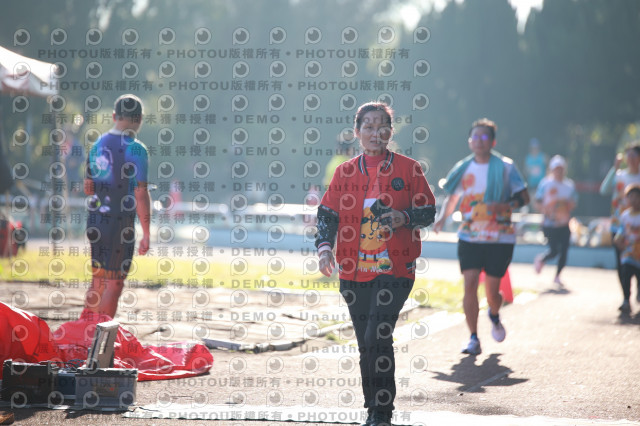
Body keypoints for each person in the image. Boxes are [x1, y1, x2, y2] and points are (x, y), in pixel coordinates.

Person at [315, 102, 436, 426]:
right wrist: (324, 249)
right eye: (367, 126)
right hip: (353, 271)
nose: (374, 132)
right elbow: (327, 214)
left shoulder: (409, 169)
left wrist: (404, 217)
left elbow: (428, 211)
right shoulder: (345, 172)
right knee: (365, 344)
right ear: (357, 132)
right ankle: (373, 409)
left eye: (381, 126)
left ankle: (382, 412)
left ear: (390, 131)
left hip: (395, 269)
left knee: (377, 336)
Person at [433, 118, 529, 356]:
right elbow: (453, 198)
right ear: (469, 141)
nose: (479, 141)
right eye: (474, 136)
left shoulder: (506, 167)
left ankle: (494, 314)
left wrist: (505, 205)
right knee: (470, 285)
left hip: (500, 237)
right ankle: (473, 337)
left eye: (484, 137)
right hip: (470, 235)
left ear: (492, 142)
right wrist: (442, 218)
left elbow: (524, 197)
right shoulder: (463, 168)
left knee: (492, 293)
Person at [83, 94, 151, 318]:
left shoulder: (97, 144)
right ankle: (102, 334)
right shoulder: (136, 149)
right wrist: (146, 233)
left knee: (98, 279)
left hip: (95, 220)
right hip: (119, 224)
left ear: (114, 116)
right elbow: (140, 194)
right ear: (139, 119)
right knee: (114, 283)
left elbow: (88, 188)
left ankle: (86, 331)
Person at [600, 144, 640, 303]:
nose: (630, 158)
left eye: (634, 155)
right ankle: (626, 297)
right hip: (619, 226)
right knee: (622, 263)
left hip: (638, 229)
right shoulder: (619, 176)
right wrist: (614, 168)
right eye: (628, 155)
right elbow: (604, 190)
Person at [533, 155, 578, 286]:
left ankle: (558, 276)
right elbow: (537, 202)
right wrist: (547, 211)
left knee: (564, 250)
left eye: (561, 169)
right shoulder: (545, 183)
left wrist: (567, 207)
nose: (559, 171)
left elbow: (574, 202)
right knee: (554, 251)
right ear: (552, 169)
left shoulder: (569, 185)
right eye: (556, 169)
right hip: (549, 224)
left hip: (564, 223)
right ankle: (542, 259)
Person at [613, 183, 640, 313]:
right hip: (628, 253)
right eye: (631, 197)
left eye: (637, 197)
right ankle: (626, 300)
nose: (634, 200)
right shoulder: (625, 216)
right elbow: (621, 232)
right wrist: (618, 241)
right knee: (625, 276)